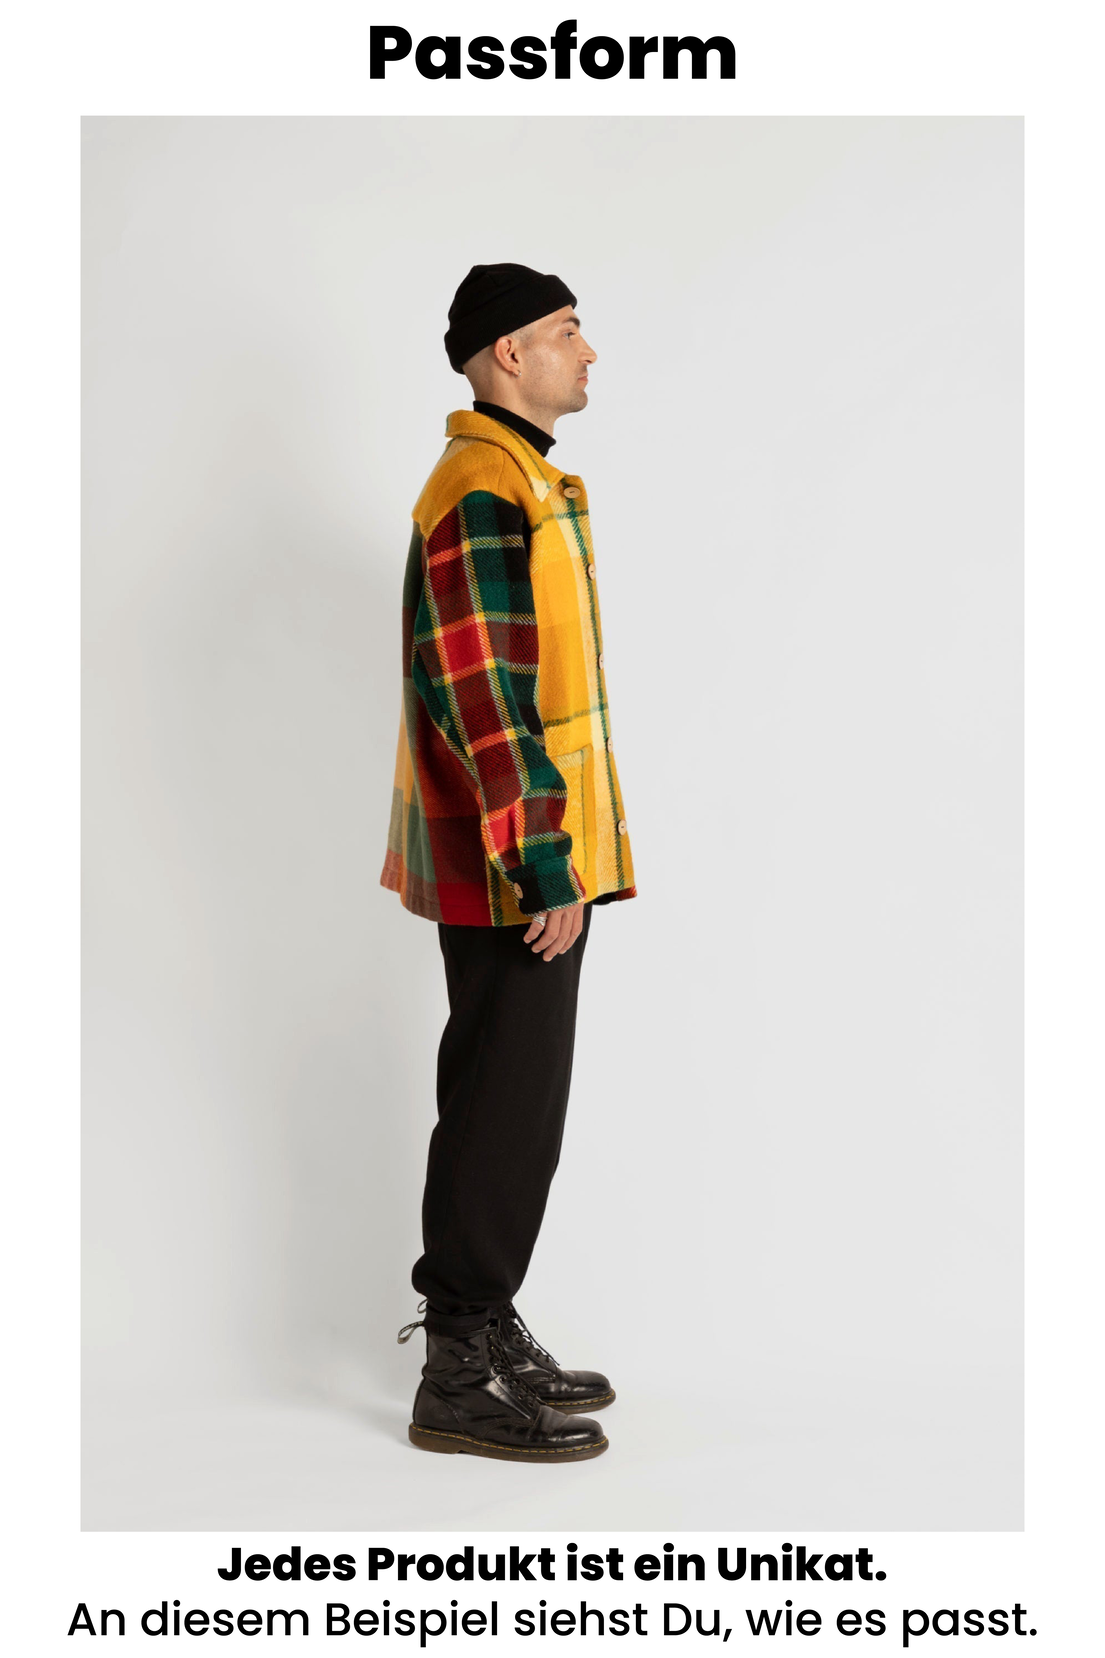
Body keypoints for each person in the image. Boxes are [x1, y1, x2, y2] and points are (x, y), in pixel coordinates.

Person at [380, 263, 637, 1462]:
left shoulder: (518, 474)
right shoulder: (484, 484)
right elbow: (484, 693)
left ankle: (482, 1327)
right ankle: (458, 1367)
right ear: (506, 354)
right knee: (503, 1098)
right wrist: (544, 860)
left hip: (521, 850)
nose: (588, 351)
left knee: (510, 1094)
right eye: (566, 330)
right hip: (511, 860)